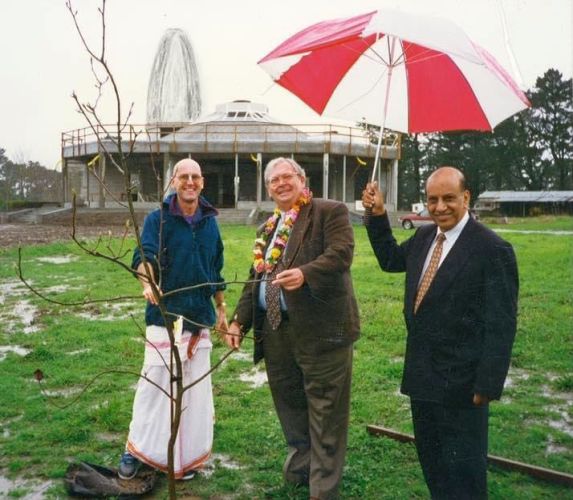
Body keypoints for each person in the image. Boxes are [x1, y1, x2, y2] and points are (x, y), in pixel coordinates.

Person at [362, 166, 518, 499]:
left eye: (449, 198)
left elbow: (500, 324)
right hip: (422, 378)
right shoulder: (424, 237)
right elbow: (390, 259)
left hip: (462, 385)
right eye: (432, 200)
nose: (440, 207)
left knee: (464, 477)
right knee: (434, 467)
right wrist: (377, 216)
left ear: (466, 197)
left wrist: (488, 384)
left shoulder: (492, 249)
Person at [224, 157, 360, 499]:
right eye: (274, 180)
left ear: (302, 179)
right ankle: (301, 468)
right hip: (275, 332)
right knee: (290, 404)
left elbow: (342, 253)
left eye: (288, 177)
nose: (281, 183)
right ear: (268, 188)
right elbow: (256, 277)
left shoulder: (329, 211)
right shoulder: (267, 227)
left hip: (320, 331)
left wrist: (306, 273)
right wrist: (239, 320)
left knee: (325, 409)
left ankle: (322, 490)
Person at [118, 158, 228, 480]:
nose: (190, 182)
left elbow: (215, 270)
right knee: (154, 387)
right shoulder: (158, 219)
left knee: (193, 394)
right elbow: (144, 255)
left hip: (199, 319)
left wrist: (221, 308)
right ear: (173, 182)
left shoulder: (211, 222)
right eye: (184, 177)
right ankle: (137, 450)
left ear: (202, 182)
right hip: (165, 317)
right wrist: (147, 280)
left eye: (195, 176)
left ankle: (186, 459)